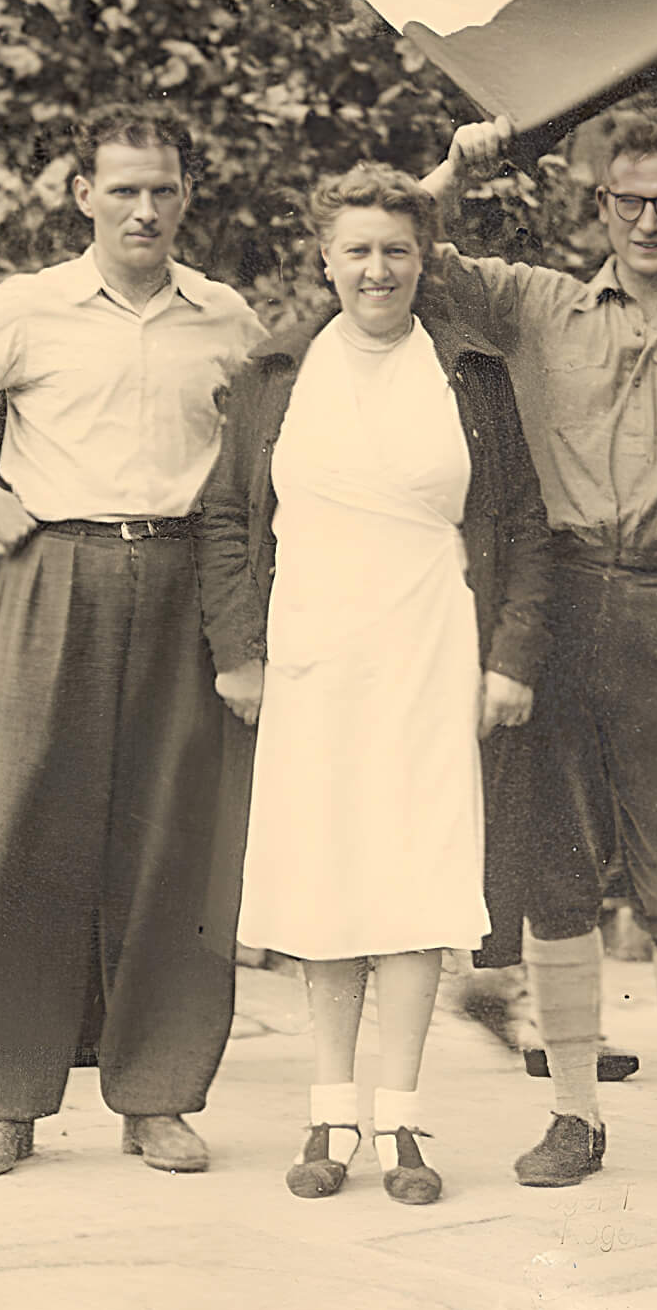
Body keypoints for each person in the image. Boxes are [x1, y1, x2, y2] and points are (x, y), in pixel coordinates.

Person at [0, 104, 261, 1177]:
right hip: (56, 569)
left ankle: (158, 1093)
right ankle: (5, 1098)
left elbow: (274, 451)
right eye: (122, 186)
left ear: (186, 195)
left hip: (182, 577)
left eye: (162, 188)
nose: (143, 207)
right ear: (80, 193)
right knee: (28, 820)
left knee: (179, 835)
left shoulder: (224, 318)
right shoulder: (28, 308)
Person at [422, 105, 657, 1200]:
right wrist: (452, 166)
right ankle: (573, 1113)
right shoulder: (538, 302)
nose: (648, 220)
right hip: (562, 605)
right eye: (629, 200)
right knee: (556, 871)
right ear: (598, 205)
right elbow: (405, 249)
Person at [196, 163, 551, 1204]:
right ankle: (328, 1110)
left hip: (429, 643)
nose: (377, 267)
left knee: (413, 873)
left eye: (397, 248)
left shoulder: (469, 373)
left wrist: (510, 657)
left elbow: (524, 522)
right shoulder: (276, 372)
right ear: (324, 258)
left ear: (424, 259)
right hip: (311, 649)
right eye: (357, 248)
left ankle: (398, 1118)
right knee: (324, 872)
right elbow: (226, 518)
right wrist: (239, 649)